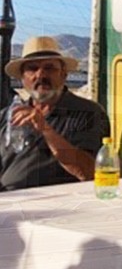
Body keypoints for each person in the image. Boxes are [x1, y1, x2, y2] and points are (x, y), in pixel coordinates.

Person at [0, 36, 109, 190]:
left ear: (63, 74)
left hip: (61, 205)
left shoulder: (88, 113)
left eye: (49, 68)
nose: (41, 75)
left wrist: (45, 129)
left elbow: (89, 173)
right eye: (32, 68)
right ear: (22, 78)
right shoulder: (7, 116)